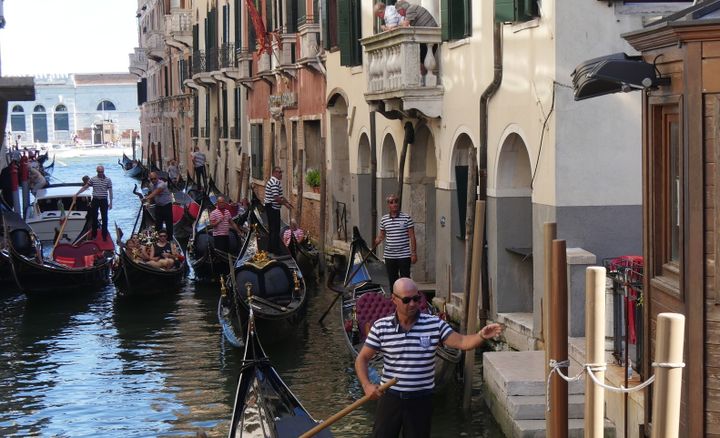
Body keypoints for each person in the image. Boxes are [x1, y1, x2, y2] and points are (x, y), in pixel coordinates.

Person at [356, 277, 503, 437]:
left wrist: (481, 335)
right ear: (394, 300)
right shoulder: (381, 327)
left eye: (416, 298)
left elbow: (462, 341)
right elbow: (362, 359)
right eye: (406, 300)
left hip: (421, 399)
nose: (412, 304)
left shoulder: (434, 324)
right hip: (391, 397)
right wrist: (366, 385)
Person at [374, 194, 416, 291]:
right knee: (392, 279)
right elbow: (382, 234)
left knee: (405, 279)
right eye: (392, 202)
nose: (395, 204)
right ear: (388, 205)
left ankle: (405, 297)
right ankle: (395, 299)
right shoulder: (384, 219)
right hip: (390, 255)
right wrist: (378, 239)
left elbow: (412, 236)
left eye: (396, 202)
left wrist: (413, 253)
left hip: (404, 254)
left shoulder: (406, 218)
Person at [395, 0, 438, 75]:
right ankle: (423, 79)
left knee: (420, 61)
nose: (400, 15)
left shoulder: (410, 9)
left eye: (399, 12)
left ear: (402, 9)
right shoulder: (413, 8)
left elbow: (405, 26)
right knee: (422, 60)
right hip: (427, 38)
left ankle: (423, 80)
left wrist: (395, 27)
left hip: (427, 38)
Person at [75, 165, 113, 240]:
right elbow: (85, 187)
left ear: (103, 171)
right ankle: (94, 235)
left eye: (101, 172)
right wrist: (76, 194)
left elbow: (110, 192)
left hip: (104, 200)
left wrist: (111, 202)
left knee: (105, 218)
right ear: (97, 172)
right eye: (99, 172)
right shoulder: (93, 179)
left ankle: (104, 236)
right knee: (94, 218)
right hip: (95, 200)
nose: (100, 173)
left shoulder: (108, 180)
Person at [264, 166, 293, 254]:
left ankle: (270, 248)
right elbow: (276, 198)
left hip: (271, 207)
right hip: (272, 208)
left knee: (273, 229)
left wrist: (287, 202)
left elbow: (280, 196)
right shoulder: (274, 182)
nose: (281, 174)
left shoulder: (275, 182)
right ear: (275, 173)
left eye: (281, 172)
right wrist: (285, 205)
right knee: (275, 230)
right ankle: (275, 250)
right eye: (279, 172)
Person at [144, 171, 174, 240]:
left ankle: (169, 239)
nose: (153, 180)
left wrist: (146, 198)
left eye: (154, 178)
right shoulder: (151, 185)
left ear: (157, 178)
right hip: (158, 206)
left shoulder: (162, 184)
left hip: (166, 205)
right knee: (158, 224)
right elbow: (151, 194)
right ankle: (158, 239)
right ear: (150, 179)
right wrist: (148, 202)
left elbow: (155, 193)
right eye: (151, 179)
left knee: (168, 224)